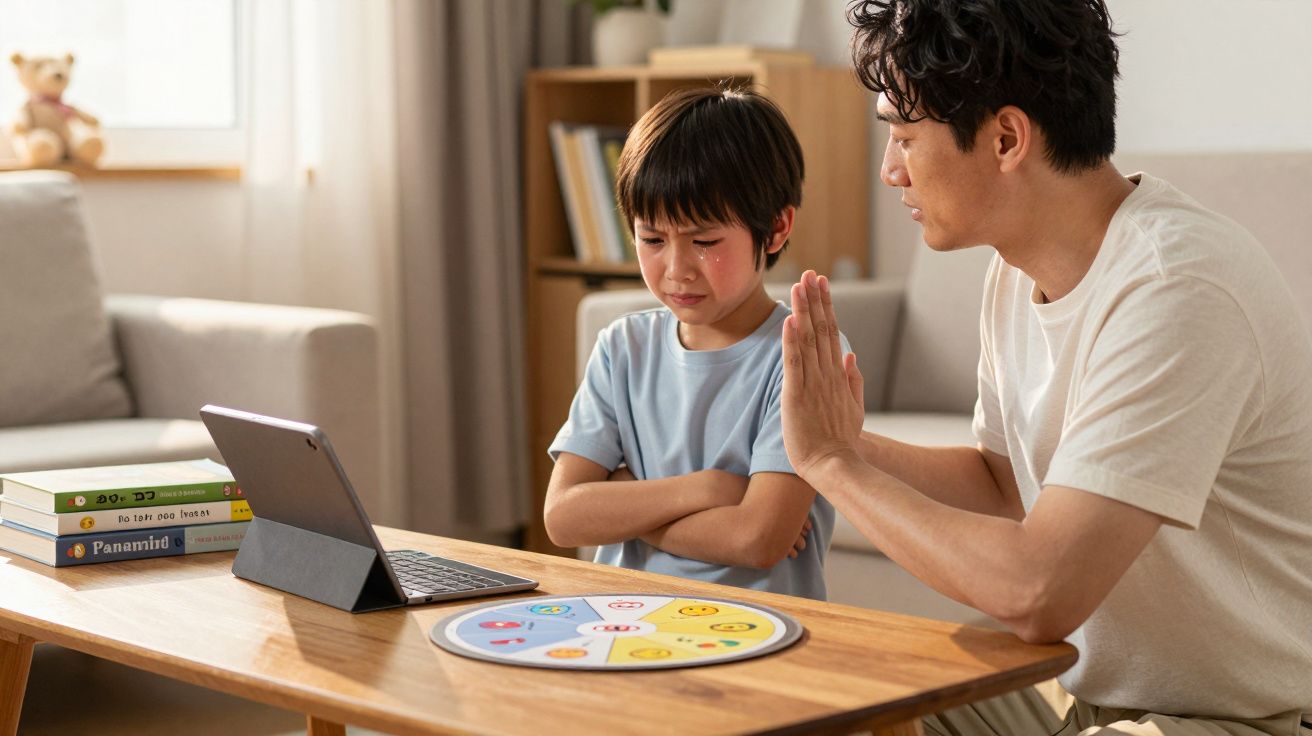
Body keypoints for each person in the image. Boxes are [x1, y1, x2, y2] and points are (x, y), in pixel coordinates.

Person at [779, 0, 1312, 733]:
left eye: (904, 136)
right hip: (1092, 711)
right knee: (850, 704)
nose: (888, 170)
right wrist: (839, 441)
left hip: (1246, 721)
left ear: (1005, 138)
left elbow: (1040, 590)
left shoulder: (1178, 287)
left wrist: (836, 467)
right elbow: (1005, 487)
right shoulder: (1013, 274)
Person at [544, 86, 838, 600]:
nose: (676, 270)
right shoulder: (623, 347)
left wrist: (626, 501)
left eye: (704, 242)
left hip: (758, 632)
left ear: (775, 228)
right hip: (624, 618)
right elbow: (564, 518)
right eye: (652, 239)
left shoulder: (798, 355)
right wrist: (708, 489)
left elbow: (758, 538)